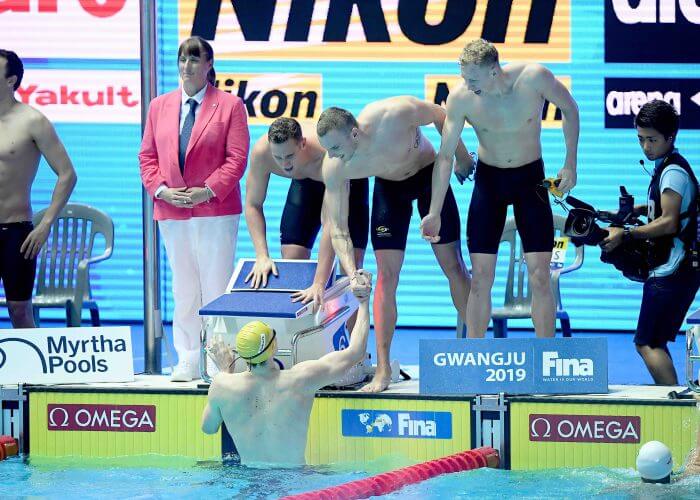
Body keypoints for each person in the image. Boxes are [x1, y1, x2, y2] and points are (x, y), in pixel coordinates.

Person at [420, 38, 580, 340]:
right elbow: (444, 157)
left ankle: (544, 357)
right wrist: (434, 212)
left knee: (540, 276)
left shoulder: (534, 78)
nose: (466, 84)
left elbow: (570, 109)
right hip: (489, 184)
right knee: (480, 278)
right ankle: (473, 358)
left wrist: (570, 162)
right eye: (463, 77)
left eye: (472, 78)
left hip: (531, 181)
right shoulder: (462, 98)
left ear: (493, 71)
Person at [318, 96, 473, 393]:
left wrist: (463, 158)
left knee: (454, 267)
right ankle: (384, 368)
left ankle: (473, 354)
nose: (333, 156)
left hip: (429, 177)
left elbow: (442, 115)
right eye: (327, 150)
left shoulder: (393, 113)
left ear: (354, 133)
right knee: (385, 277)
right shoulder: (335, 166)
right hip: (390, 190)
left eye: (336, 148)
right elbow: (338, 229)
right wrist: (352, 272)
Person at [139, 36, 250, 382]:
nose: (186, 66)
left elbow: (237, 159)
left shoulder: (230, 106)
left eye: (194, 59)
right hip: (172, 212)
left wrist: (207, 191)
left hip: (215, 211)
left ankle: (219, 355)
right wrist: (162, 191)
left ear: (209, 65)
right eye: (182, 59)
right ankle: (187, 356)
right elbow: (147, 157)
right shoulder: (160, 105)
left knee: (215, 285)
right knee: (183, 288)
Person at [201, 278, 372, 466]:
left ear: (241, 353)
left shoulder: (222, 384)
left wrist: (225, 371)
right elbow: (356, 352)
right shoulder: (301, 379)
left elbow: (208, 428)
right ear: (274, 347)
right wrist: (363, 303)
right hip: (294, 482)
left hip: (249, 482)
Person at [601, 100, 699, 385]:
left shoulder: (673, 173)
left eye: (652, 140)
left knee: (648, 343)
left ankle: (674, 409)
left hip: (673, 271)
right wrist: (637, 211)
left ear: (671, 137)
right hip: (675, 270)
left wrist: (627, 234)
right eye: (640, 139)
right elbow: (672, 209)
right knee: (653, 340)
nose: (645, 146)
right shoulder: (665, 166)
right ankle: (673, 402)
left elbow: (669, 221)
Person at [244, 117, 369, 306]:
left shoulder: (329, 154)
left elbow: (331, 223)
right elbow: (253, 205)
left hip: (347, 181)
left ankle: (348, 335)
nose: (285, 165)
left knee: (350, 270)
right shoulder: (262, 154)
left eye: (289, 156)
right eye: (278, 157)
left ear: (302, 143)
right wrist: (262, 256)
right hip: (305, 182)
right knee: (292, 262)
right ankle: (302, 332)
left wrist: (319, 283)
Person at [0, 49, 77, 328]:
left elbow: (67, 174)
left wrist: (45, 225)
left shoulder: (32, 121)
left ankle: (33, 372)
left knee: (20, 312)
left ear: (11, 80)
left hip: (15, 231)